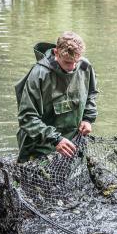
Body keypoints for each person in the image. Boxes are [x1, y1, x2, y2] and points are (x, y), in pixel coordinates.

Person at [16, 32, 98, 163]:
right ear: (56, 52)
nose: (72, 67)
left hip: (72, 142)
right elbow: (27, 117)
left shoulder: (84, 66)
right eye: (67, 62)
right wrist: (56, 139)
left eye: (75, 62)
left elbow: (91, 94)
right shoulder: (39, 74)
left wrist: (88, 119)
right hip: (40, 145)